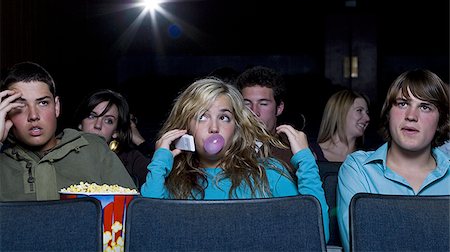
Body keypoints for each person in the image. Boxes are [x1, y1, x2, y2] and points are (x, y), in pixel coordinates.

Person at [140, 77, 330, 242]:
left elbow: (317, 232)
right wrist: (159, 164)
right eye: (202, 117)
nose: (214, 127)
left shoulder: (270, 173)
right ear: (186, 129)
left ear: (236, 130)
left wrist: (305, 162)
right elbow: (147, 234)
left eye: (224, 117)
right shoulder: (172, 181)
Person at [337, 68, 450, 252]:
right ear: (389, 113)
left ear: (441, 120)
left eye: (425, 107)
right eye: (403, 104)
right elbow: (361, 245)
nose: (411, 116)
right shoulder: (359, 169)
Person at [0, 61, 136, 201]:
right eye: (20, 105)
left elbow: (132, 211)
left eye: (43, 103)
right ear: (6, 113)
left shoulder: (94, 150)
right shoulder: (3, 164)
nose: (33, 116)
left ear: (56, 107)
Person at [74, 89, 151, 189]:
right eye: (91, 116)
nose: (98, 125)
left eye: (108, 121)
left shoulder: (130, 160)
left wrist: (140, 141)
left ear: (116, 131)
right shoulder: (64, 153)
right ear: (81, 123)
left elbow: (160, 186)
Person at [235, 66, 297, 165]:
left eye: (263, 104)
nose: (254, 112)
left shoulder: (293, 150)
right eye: (247, 104)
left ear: (279, 108)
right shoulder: (228, 146)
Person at [310, 89, 370, 162]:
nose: (367, 118)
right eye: (359, 110)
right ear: (341, 113)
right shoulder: (311, 154)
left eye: (367, 113)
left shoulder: (367, 158)